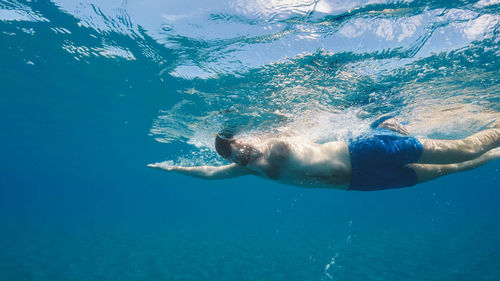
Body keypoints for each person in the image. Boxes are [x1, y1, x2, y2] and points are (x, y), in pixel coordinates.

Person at [148, 117, 500, 191]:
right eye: (230, 154)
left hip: (366, 153)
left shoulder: (275, 140)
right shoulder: (249, 170)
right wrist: (173, 168)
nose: (237, 153)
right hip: (359, 183)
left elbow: (294, 129)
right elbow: (208, 174)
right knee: (451, 169)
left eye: (234, 144)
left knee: (466, 147)